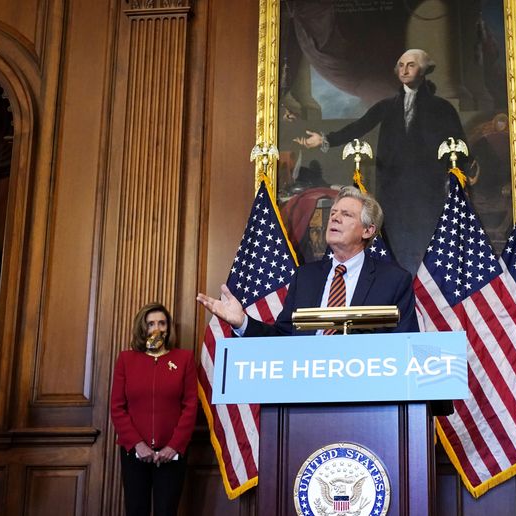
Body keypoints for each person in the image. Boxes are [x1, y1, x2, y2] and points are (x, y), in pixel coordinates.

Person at [293, 49, 465, 273]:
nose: (404, 70)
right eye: (401, 65)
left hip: (427, 191)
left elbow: (458, 146)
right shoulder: (388, 106)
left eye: (411, 65)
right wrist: (325, 139)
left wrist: (459, 178)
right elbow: (359, 127)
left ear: (423, 71)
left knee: (426, 243)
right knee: (396, 244)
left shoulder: (442, 108)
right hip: (393, 191)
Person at [197, 186, 418, 336]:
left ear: (368, 230)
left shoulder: (393, 281)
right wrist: (242, 322)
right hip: (307, 395)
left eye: (347, 215)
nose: (335, 218)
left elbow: (405, 346)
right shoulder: (306, 277)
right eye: (333, 213)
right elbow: (284, 338)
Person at [110, 303, 198, 516]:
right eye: (151, 324)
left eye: (161, 322)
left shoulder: (184, 359)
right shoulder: (126, 360)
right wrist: (138, 445)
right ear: (143, 328)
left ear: (168, 328)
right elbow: (117, 406)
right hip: (135, 452)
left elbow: (190, 405)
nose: (157, 328)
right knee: (136, 509)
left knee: (166, 510)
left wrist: (174, 446)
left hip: (172, 453)